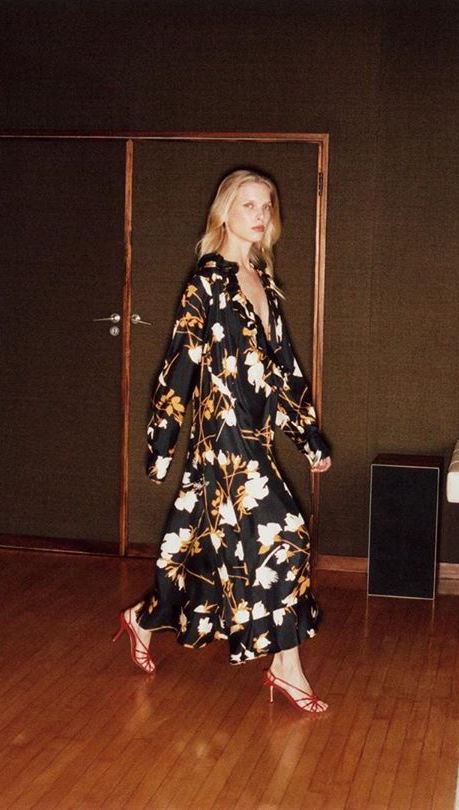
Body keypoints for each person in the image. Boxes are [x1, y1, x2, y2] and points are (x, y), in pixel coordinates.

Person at [113, 169, 332, 713]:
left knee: (211, 555)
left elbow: (283, 369)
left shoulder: (262, 279)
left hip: (255, 434)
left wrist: (309, 437)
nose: (259, 214)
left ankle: (143, 619)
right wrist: (161, 445)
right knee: (288, 535)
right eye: (248, 204)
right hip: (222, 439)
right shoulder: (206, 281)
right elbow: (179, 363)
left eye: (266, 205)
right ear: (225, 213)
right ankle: (287, 668)